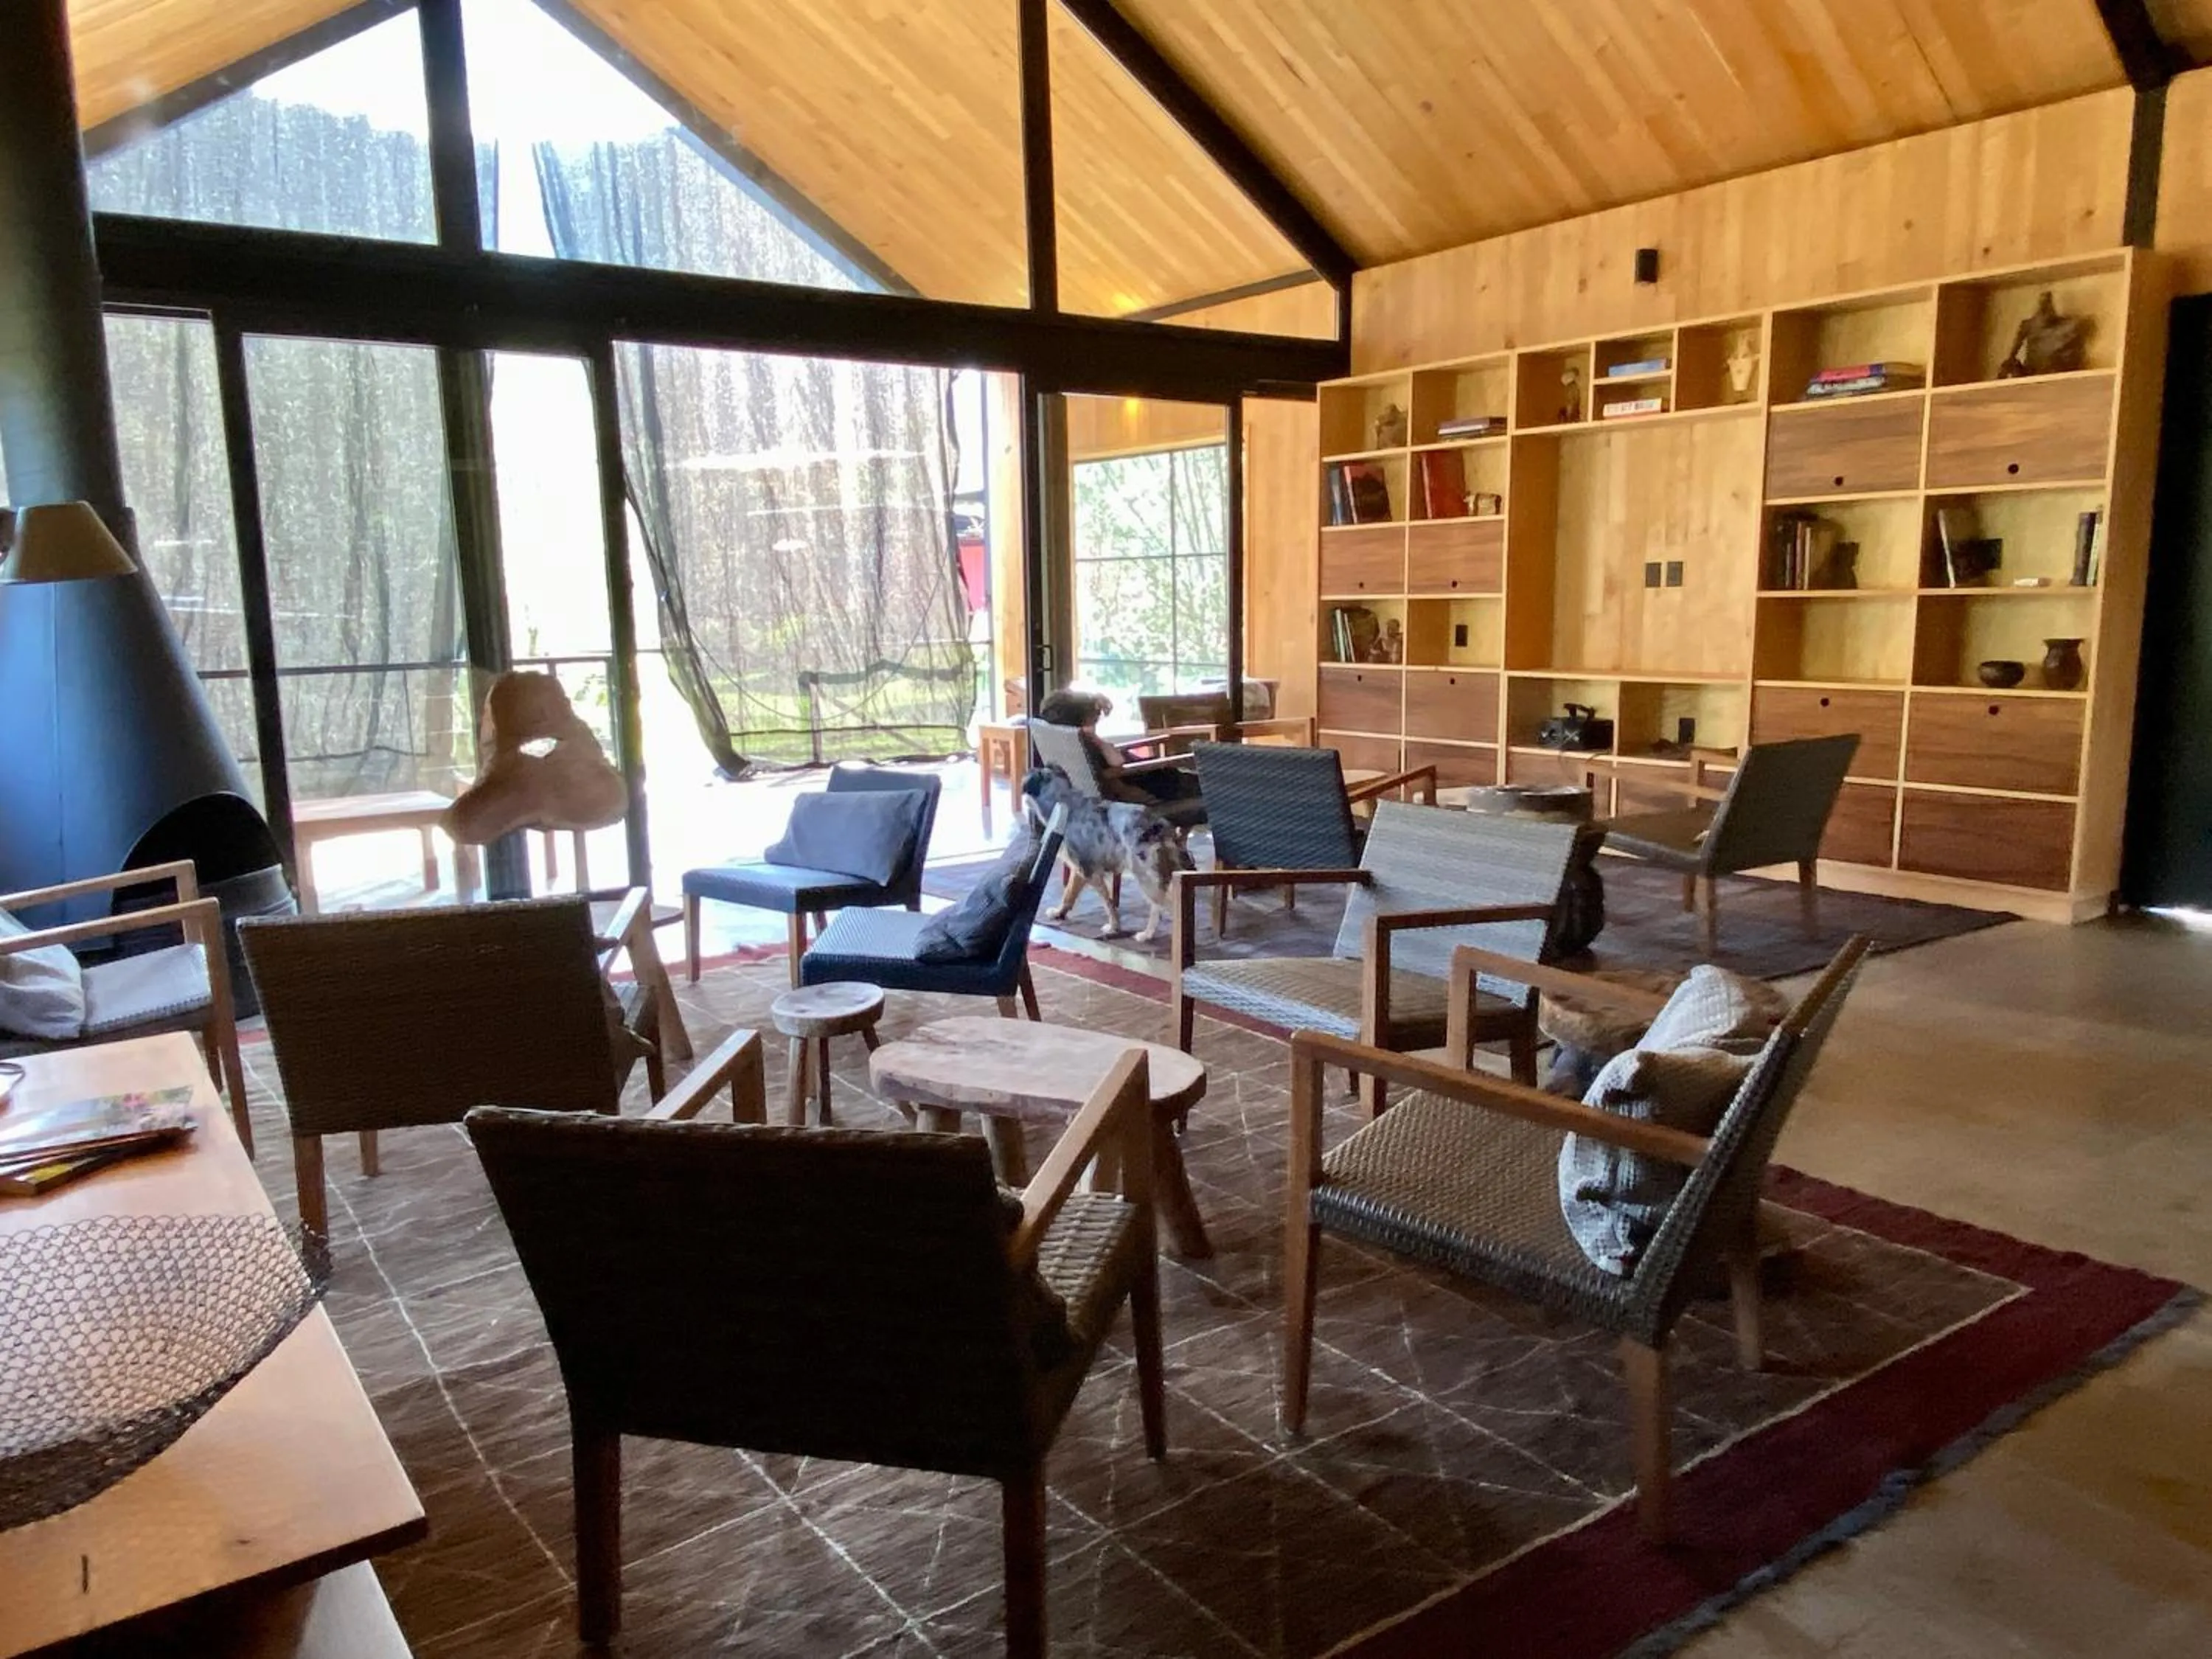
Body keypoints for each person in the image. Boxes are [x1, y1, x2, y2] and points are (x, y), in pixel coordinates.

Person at [1034, 688, 1204, 809]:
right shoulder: (1088, 742)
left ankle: (1180, 840)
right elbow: (1118, 762)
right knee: (1213, 787)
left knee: (1202, 780)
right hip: (1161, 784)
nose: (1096, 721)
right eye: (1094, 717)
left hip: (1157, 778)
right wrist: (1097, 739)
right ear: (1082, 719)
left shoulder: (1070, 742)